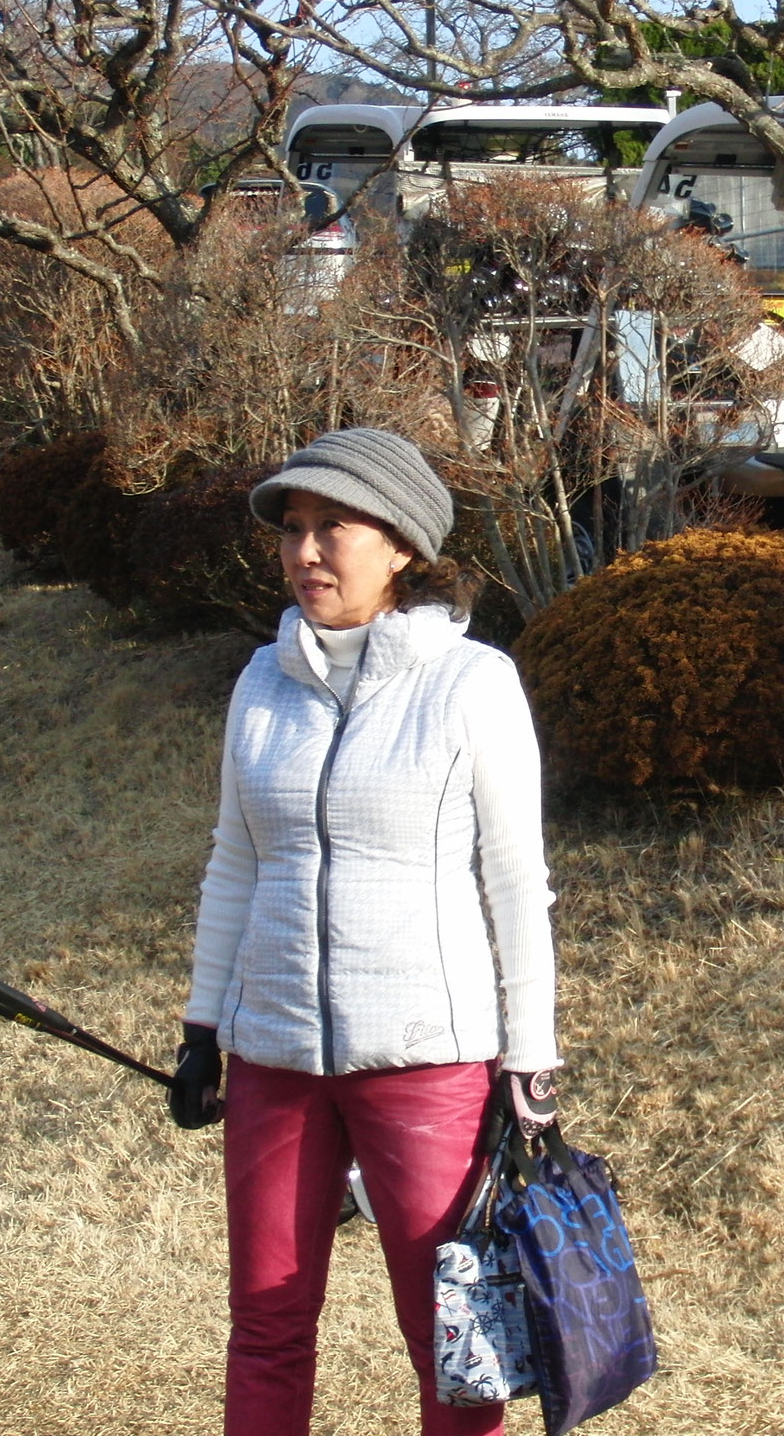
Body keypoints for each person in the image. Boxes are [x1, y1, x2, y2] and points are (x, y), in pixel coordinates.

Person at [168, 427, 560, 1436]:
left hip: (427, 1061)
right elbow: (235, 861)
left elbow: (515, 878)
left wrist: (532, 1054)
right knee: (264, 1322)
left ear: (400, 546)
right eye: (291, 530)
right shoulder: (262, 681)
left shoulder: (469, 681)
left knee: (451, 1336)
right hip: (274, 1056)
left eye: (329, 527)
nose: (304, 552)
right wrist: (203, 1027)